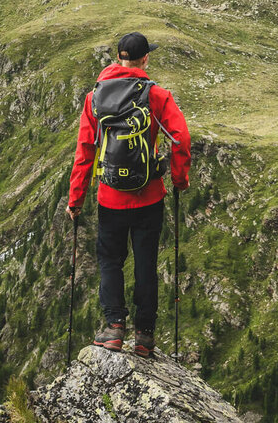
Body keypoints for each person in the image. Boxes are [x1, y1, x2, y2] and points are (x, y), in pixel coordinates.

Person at [66, 32, 190, 357]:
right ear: (145, 58)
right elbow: (180, 138)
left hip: (110, 198)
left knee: (111, 261)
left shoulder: (94, 98)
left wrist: (75, 200)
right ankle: (144, 337)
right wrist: (180, 180)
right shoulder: (156, 95)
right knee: (146, 263)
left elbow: (84, 152)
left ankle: (114, 328)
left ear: (118, 57)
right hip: (150, 197)